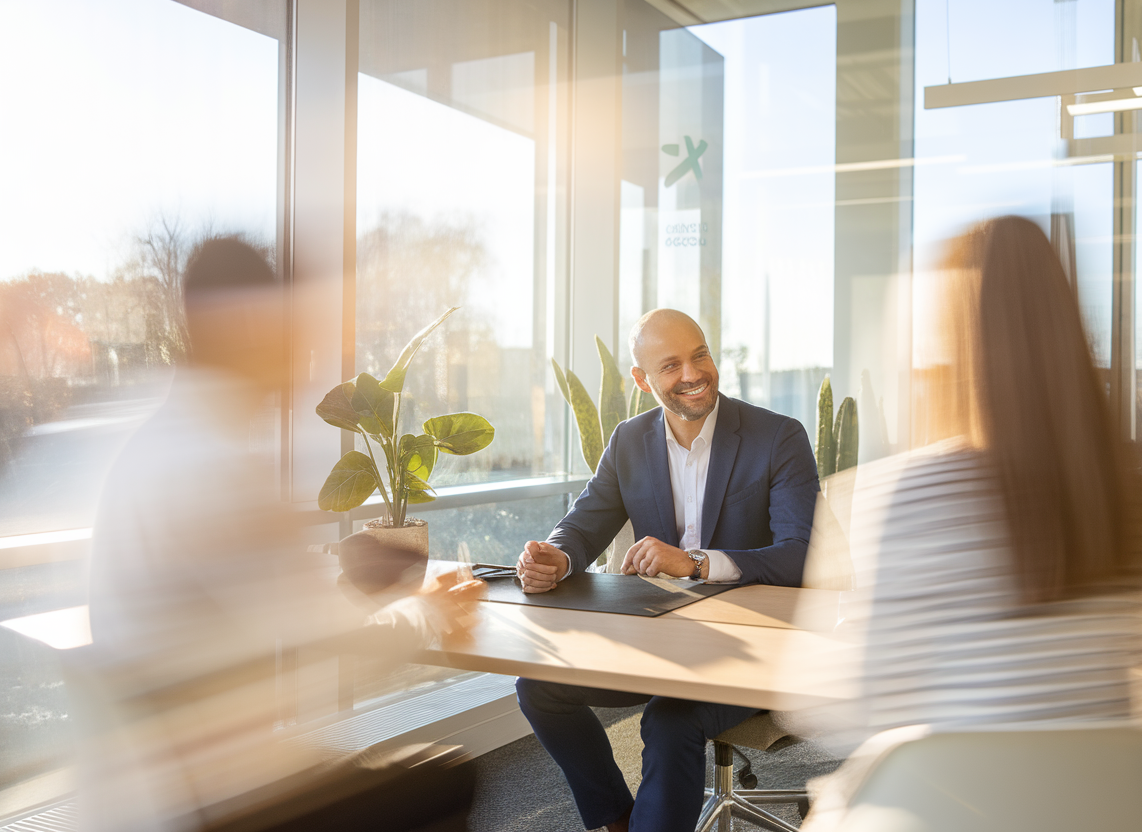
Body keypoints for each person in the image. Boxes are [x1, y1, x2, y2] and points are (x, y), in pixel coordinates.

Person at [83, 237, 482, 832]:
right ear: (249, 326)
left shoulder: (149, 448)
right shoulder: (212, 465)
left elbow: (244, 589)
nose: (301, 356)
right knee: (446, 779)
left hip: (151, 790)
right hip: (228, 803)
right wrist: (429, 611)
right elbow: (334, 639)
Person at [797, 216, 1142, 827]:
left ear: (958, 341)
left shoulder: (907, 491)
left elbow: (841, 707)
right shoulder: (1129, 491)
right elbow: (1134, 666)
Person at [514, 308, 820, 832]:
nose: (693, 374)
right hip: (662, 643)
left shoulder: (777, 437)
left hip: (754, 649)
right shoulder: (628, 441)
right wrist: (555, 557)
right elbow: (583, 525)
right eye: (671, 365)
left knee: (671, 719)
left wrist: (696, 562)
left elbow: (799, 555)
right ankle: (619, 818)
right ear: (642, 379)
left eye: (700, 355)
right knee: (539, 685)